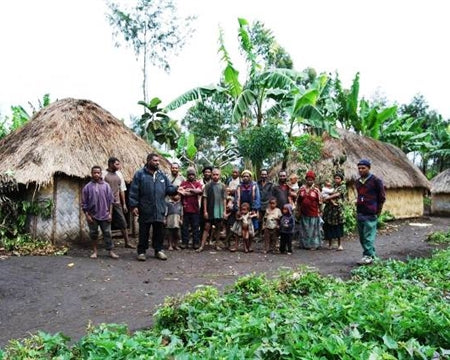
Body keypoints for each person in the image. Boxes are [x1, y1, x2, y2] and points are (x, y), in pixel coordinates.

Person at [129, 153, 178, 261]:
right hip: (145, 208)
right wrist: (134, 206)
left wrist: (176, 189)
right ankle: (141, 252)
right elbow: (133, 191)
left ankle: (158, 250)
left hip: (159, 208)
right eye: (155, 161)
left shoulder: (162, 175)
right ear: (148, 161)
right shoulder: (140, 174)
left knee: (159, 231)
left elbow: (168, 188)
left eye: (158, 161)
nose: (157, 163)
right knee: (144, 232)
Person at [82, 165, 119, 259]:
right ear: (91, 174)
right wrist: (87, 215)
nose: (96, 174)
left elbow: (111, 201)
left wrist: (110, 213)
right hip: (92, 215)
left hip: (105, 214)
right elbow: (84, 203)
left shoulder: (106, 186)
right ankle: (95, 251)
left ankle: (110, 251)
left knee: (107, 233)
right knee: (93, 234)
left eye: (98, 173)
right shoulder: (87, 187)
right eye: (94, 172)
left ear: (101, 174)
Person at [355, 159, 386, 265]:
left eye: (363, 168)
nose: (361, 170)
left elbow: (382, 197)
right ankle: (371, 256)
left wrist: (378, 211)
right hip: (360, 212)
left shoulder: (376, 181)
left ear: (369, 168)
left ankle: (367, 256)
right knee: (362, 237)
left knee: (368, 236)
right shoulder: (358, 182)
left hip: (371, 213)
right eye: (359, 168)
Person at [102, 157, 135, 249]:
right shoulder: (103, 174)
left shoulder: (119, 174)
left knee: (123, 222)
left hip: (117, 202)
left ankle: (127, 242)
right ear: (110, 164)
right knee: (107, 223)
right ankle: (108, 244)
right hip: (105, 203)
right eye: (117, 164)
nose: (119, 166)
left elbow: (122, 189)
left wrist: (124, 203)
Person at [197, 168, 227, 252]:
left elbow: (224, 199)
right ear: (211, 175)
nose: (215, 176)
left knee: (218, 227)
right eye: (214, 174)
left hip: (219, 209)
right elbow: (205, 198)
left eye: (217, 174)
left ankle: (217, 244)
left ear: (220, 175)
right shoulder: (207, 186)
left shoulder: (223, 186)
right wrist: (205, 211)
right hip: (210, 209)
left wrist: (224, 211)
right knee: (207, 227)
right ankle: (202, 246)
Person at [297, 170, 322, 250]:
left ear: (313, 180)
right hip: (304, 213)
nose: (309, 181)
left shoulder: (316, 190)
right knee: (304, 229)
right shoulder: (302, 189)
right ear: (306, 180)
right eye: (308, 179)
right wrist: (298, 211)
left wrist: (320, 211)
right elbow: (298, 201)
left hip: (313, 213)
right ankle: (304, 244)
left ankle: (313, 245)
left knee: (313, 230)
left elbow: (320, 202)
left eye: (311, 180)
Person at [178, 167, 203, 249]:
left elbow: (200, 191)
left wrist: (190, 190)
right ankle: (185, 243)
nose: (191, 176)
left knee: (195, 227)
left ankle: (195, 243)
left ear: (195, 175)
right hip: (185, 209)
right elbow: (182, 193)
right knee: (184, 227)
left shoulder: (198, 183)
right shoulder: (183, 183)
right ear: (187, 175)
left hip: (195, 209)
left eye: (192, 174)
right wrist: (194, 192)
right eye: (189, 174)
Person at [322, 172, 346, 251]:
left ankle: (340, 244)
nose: (336, 180)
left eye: (338, 178)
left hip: (338, 210)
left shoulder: (342, 186)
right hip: (329, 210)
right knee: (329, 226)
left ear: (341, 179)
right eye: (335, 178)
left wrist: (327, 198)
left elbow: (337, 194)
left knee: (338, 226)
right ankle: (330, 244)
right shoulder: (333, 186)